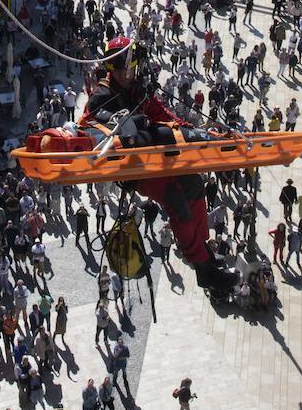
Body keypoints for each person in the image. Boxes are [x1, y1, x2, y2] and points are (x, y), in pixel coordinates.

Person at [83, 35, 233, 292]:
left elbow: (162, 115)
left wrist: (193, 132)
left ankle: (203, 251)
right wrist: (119, 127)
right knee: (174, 197)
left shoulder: (138, 89)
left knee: (194, 183)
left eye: (125, 69)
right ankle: (203, 267)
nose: (122, 74)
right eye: (116, 70)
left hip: (154, 156)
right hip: (132, 168)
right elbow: (88, 125)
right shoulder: (102, 95)